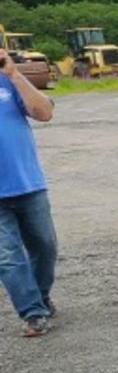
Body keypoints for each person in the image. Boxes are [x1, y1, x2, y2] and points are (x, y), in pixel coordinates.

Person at [0, 43, 57, 337]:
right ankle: (32, 312)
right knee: (8, 257)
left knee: (45, 247)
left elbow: (44, 112)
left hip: (27, 183)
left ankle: (41, 297)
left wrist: (14, 74)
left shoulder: (8, 82)